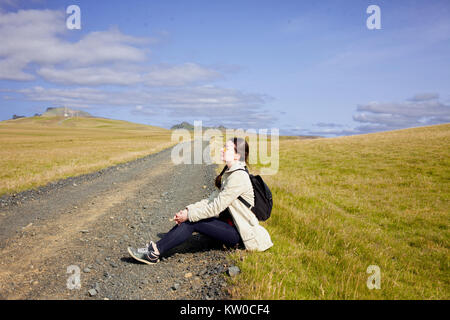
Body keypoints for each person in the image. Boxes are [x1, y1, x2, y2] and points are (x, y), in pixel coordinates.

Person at [128, 137, 273, 265]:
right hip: (231, 226)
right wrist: (188, 210)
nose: (222, 150)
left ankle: (154, 253)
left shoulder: (238, 177)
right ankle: (156, 248)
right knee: (191, 217)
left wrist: (189, 216)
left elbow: (215, 208)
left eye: (226, 148)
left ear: (237, 155)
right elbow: (210, 200)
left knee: (193, 221)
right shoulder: (230, 174)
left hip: (240, 234)